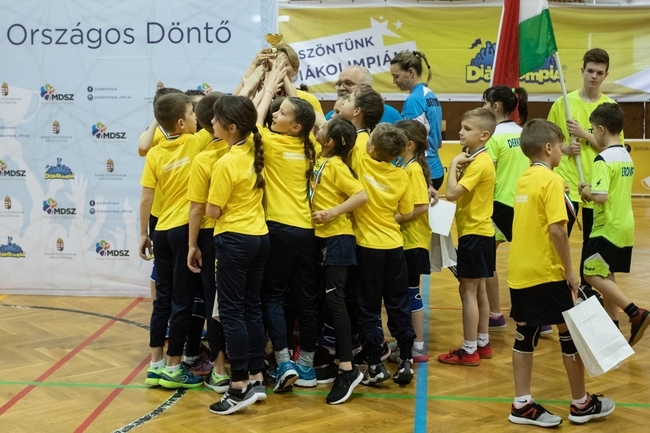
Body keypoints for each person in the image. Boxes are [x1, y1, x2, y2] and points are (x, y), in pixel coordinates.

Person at [507, 119, 614, 427]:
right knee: (570, 335)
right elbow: (557, 230)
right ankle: (581, 403)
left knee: (525, 334)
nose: (563, 151)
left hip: (520, 269)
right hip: (546, 271)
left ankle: (521, 403)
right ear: (549, 148)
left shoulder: (524, 178)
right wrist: (570, 271)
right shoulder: (552, 180)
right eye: (560, 145)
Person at [254, 66, 320, 392]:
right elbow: (313, 120)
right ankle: (307, 363)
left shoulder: (271, 142)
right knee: (306, 297)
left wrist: (269, 85)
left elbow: (252, 121)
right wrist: (289, 85)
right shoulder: (311, 145)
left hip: (278, 230)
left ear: (294, 126)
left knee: (273, 296)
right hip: (307, 232)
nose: (274, 114)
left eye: (281, 113)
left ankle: (283, 361)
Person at [206, 96, 269, 415]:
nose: (211, 123)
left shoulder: (225, 163)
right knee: (251, 308)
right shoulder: (255, 146)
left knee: (231, 312)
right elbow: (255, 116)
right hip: (260, 237)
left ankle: (239, 386)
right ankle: (257, 377)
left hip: (234, 239)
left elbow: (212, 210)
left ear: (231, 127)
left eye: (216, 120)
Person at [139, 93, 204, 389]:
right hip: (183, 231)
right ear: (181, 122)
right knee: (182, 300)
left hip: (161, 231)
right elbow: (226, 111)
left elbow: (146, 198)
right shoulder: (196, 142)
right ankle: (174, 367)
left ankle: (155, 365)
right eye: (192, 113)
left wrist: (143, 234)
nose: (196, 117)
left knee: (162, 300)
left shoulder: (155, 153)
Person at [547, 48, 623, 292]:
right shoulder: (563, 103)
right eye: (590, 71)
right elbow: (548, 142)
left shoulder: (610, 107)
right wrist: (565, 148)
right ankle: (558, 288)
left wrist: (584, 134)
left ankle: (586, 292)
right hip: (566, 183)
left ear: (606, 75)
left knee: (592, 245)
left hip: (596, 186)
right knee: (558, 238)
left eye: (599, 73)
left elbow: (615, 146)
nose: (594, 76)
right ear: (582, 71)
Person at [349, 123, 416, 386]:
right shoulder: (402, 176)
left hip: (367, 247)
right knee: (398, 302)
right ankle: (406, 359)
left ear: (372, 147)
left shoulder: (361, 161)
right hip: (394, 246)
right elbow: (407, 212)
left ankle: (375, 364)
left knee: (367, 307)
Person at [578, 103, 648, 345]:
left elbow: (600, 196)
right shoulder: (626, 156)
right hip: (625, 225)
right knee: (606, 274)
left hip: (606, 226)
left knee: (590, 274)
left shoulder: (603, 158)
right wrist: (592, 188)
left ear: (601, 129)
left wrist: (586, 191)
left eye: (592, 130)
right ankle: (613, 329)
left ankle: (635, 312)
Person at [311, 117, 367, 404]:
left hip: (338, 239)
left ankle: (348, 368)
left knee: (335, 300)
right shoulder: (322, 157)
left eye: (324, 129)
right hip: (323, 238)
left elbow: (361, 195)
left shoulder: (336, 166)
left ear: (330, 141)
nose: (318, 129)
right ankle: (336, 361)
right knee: (326, 301)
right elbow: (316, 121)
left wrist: (332, 212)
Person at [438, 108, 496, 366]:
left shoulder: (479, 162)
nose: (461, 132)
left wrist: (452, 165)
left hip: (474, 233)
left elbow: (451, 193)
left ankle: (469, 348)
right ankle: (482, 342)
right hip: (482, 232)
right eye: (462, 127)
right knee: (479, 288)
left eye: (467, 129)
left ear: (484, 135)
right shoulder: (479, 159)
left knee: (468, 290)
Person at [185, 91, 231, 392]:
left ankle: (220, 370)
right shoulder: (245, 148)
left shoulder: (202, 157)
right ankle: (250, 368)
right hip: (241, 234)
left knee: (215, 303)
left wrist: (192, 245)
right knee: (238, 303)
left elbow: (196, 208)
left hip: (210, 235)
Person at [481, 85, 530, 331]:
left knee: (487, 262)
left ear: (496, 106)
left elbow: (486, 175)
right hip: (526, 205)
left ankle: (495, 314)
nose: (482, 107)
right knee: (529, 261)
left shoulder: (493, 137)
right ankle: (539, 318)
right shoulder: (525, 134)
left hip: (500, 205)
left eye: (484, 103)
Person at [389, 120, 432, 363]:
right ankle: (406, 340)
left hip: (413, 242)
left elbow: (421, 206)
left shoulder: (413, 169)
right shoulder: (405, 166)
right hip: (406, 241)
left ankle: (417, 345)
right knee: (404, 294)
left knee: (412, 294)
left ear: (409, 144)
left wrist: (392, 218)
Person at [390, 50, 444, 189]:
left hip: (423, 171)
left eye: (396, 76)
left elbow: (413, 143)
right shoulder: (430, 95)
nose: (394, 81)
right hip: (435, 168)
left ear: (411, 72)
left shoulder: (414, 100)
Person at [325, 65, 402, 124]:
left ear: (367, 89)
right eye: (339, 84)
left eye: (348, 84)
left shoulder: (390, 115)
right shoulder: (331, 116)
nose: (341, 88)